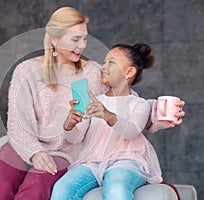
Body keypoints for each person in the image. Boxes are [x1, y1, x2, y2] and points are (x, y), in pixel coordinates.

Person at [0, 7, 185, 200]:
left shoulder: (92, 72)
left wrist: (159, 113)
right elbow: (18, 121)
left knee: (36, 187)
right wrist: (34, 152)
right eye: (75, 39)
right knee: (2, 185)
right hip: (23, 143)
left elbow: (123, 97)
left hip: (64, 151)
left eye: (84, 38)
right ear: (55, 39)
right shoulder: (26, 70)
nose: (82, 45)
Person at [50, 43, 171, 200]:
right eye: (104, 62)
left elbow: (132, 131)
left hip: (126, 161)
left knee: (116, 188)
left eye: (111, 63)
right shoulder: (95, 100)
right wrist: (70, 125)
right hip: (92, 162)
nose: (103, 67)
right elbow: (76, 138)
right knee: (62, 187)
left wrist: (108, 116)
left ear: (129, 72)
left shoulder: (139, 104)